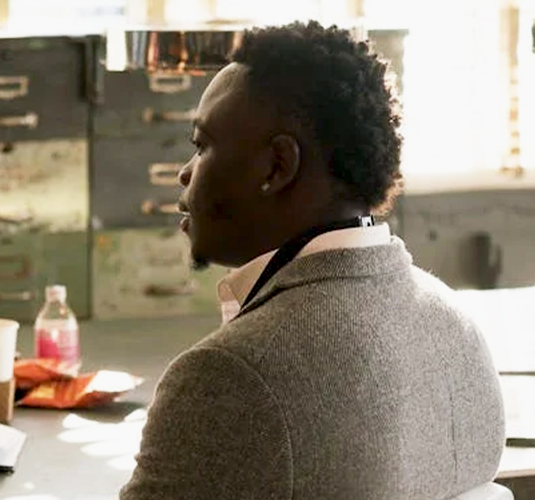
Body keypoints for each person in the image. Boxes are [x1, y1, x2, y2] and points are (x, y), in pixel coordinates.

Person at [119, 22, 504, 499]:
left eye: (202, 146)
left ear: (277, 167)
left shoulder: (227, 375)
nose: (185, 172)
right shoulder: (457, 329)